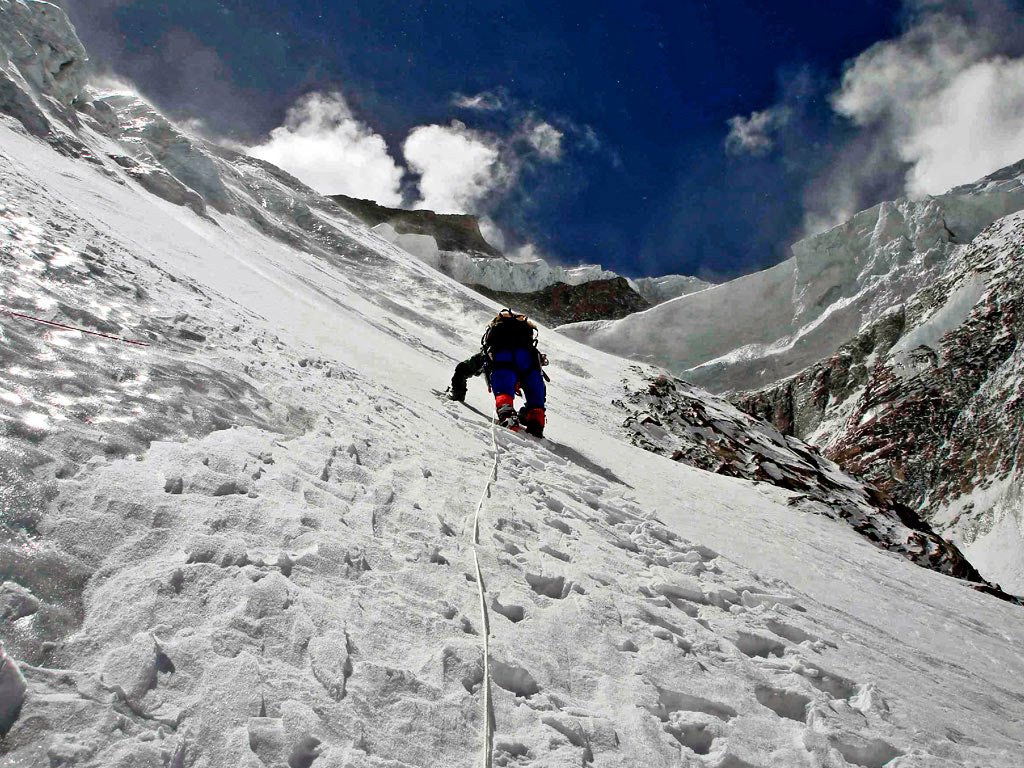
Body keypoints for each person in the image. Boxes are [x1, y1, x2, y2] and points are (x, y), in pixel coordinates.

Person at [449, 309, 548, 437]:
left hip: (502, 363)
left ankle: (508, 417)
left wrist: (457, 392)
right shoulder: (530, 351)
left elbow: (463, 369)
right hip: (529, 365)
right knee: (536, 397)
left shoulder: (495, 348)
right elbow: (538, 387)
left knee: (504, 393)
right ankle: (536, 423)